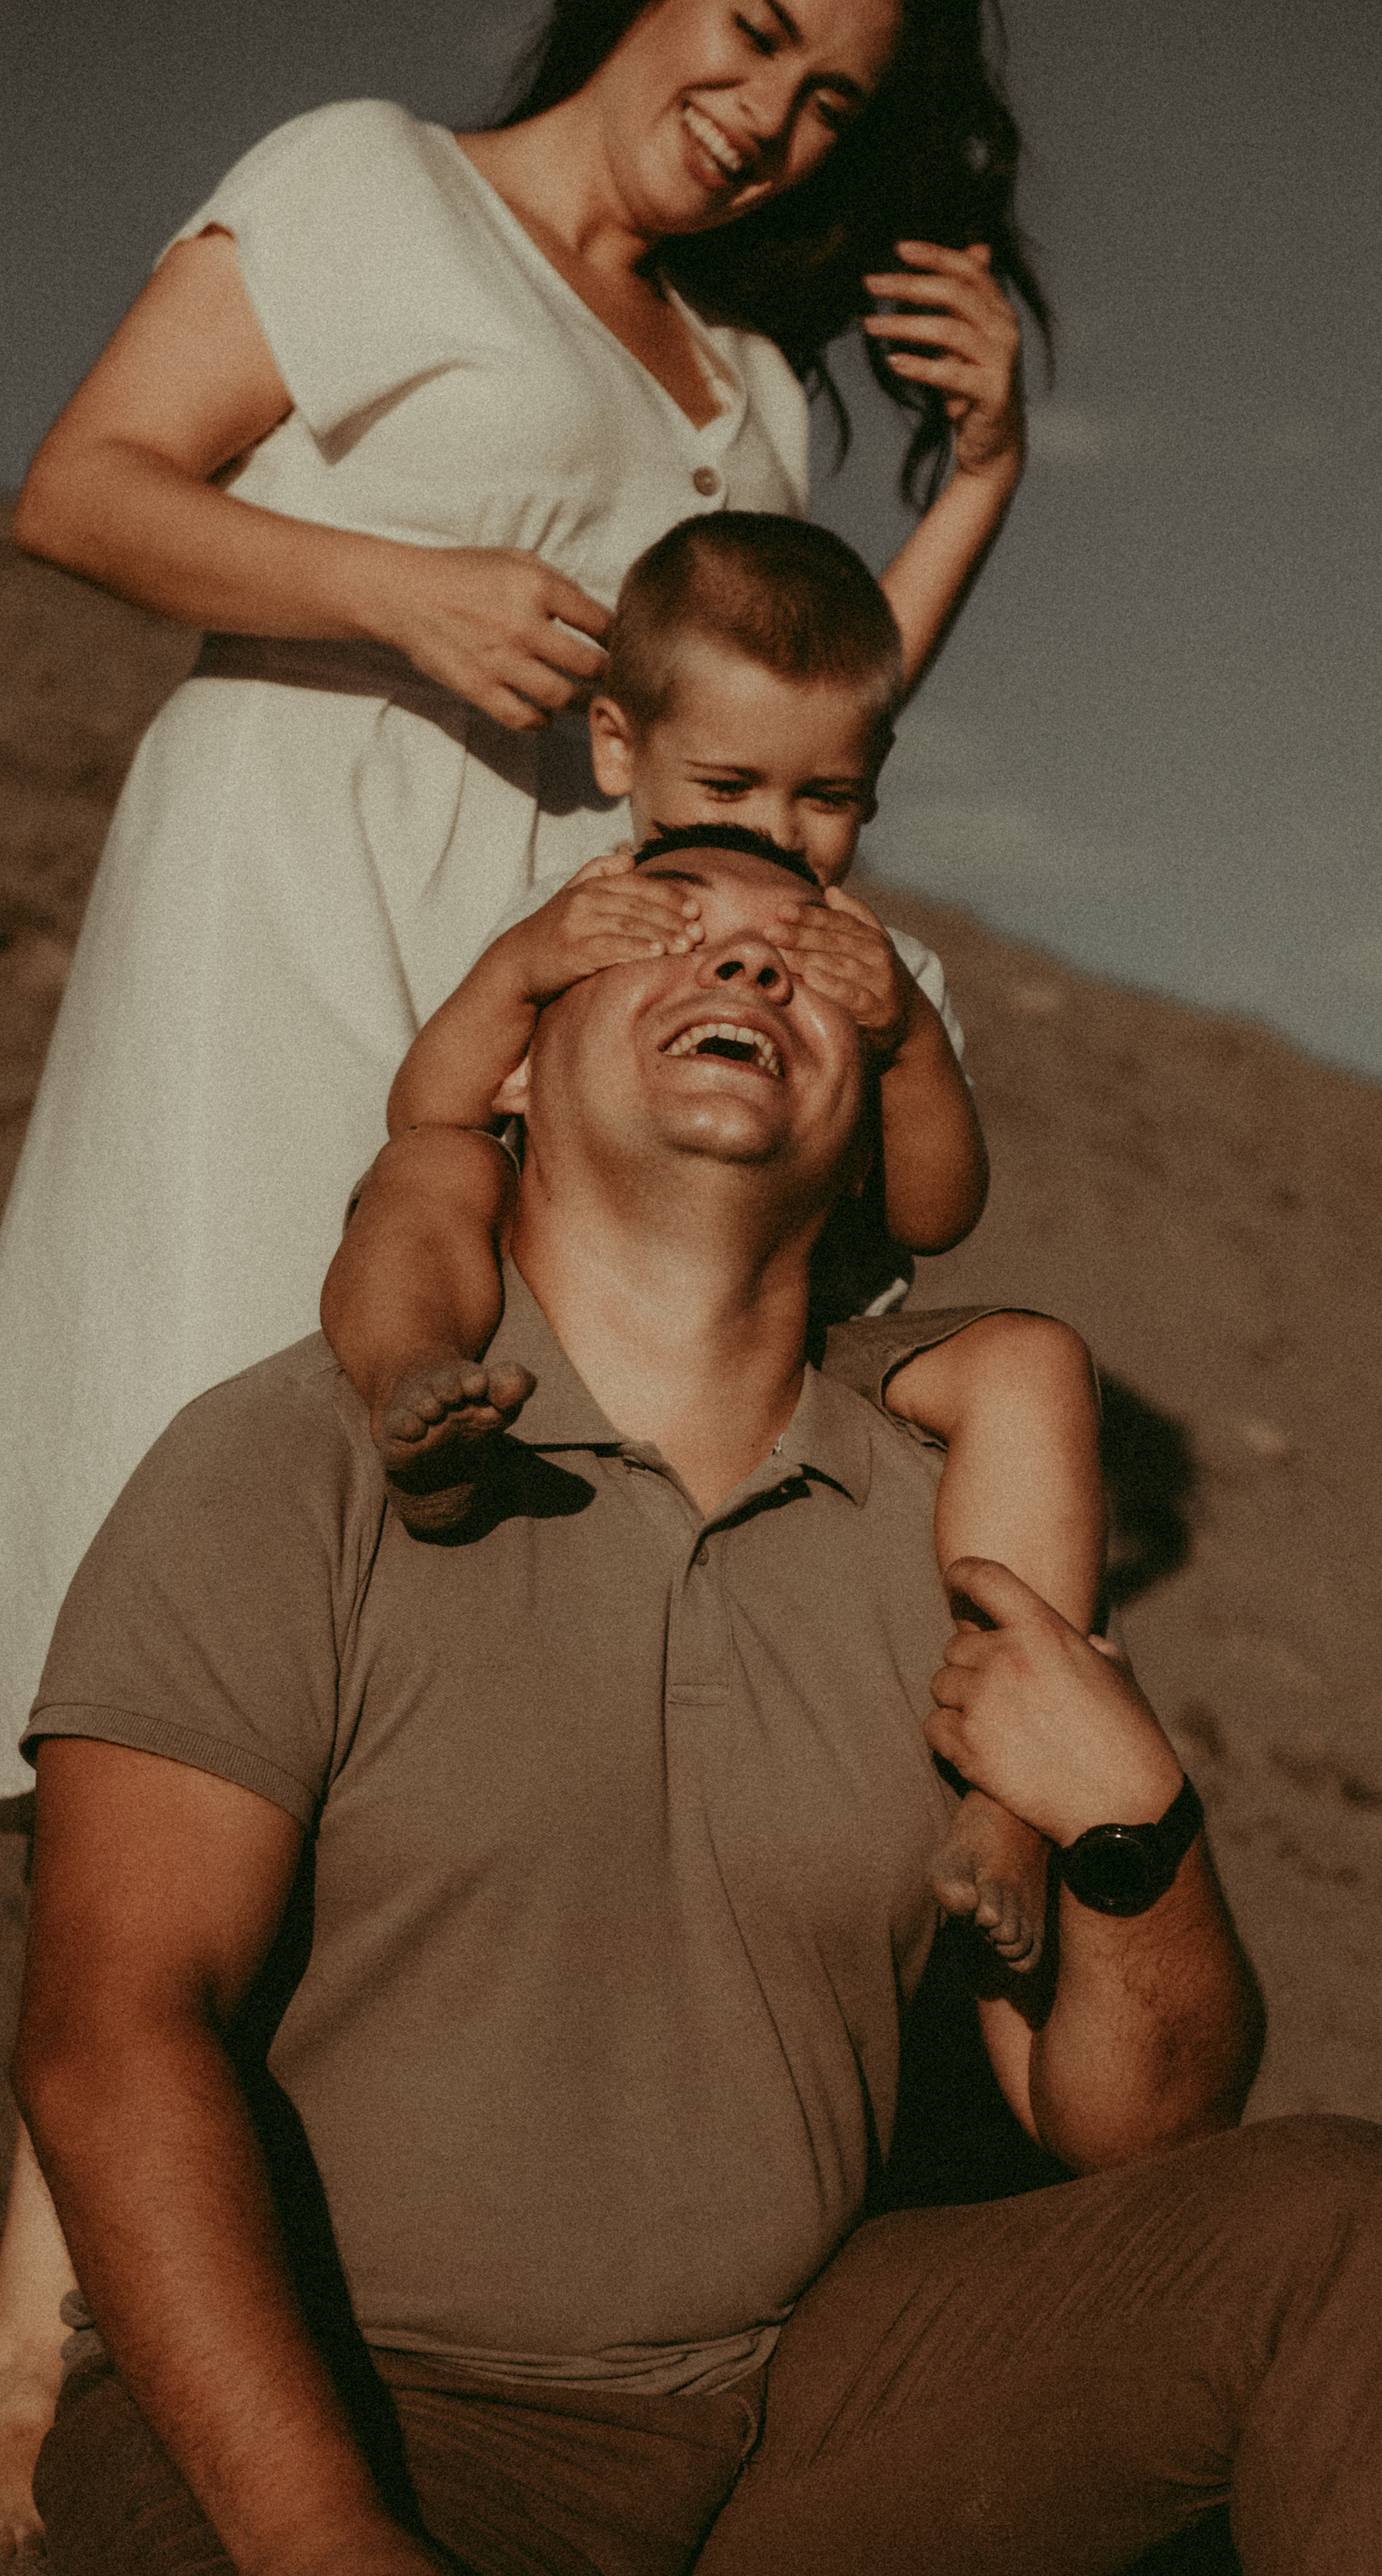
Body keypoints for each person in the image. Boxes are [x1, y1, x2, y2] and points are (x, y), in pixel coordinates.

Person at [17, 837, 1382, 2576]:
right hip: (344, 2417)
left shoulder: (948, 1546)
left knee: (1351, 2223)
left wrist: (1136, 1833)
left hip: (781, 2421)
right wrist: (319, 2533)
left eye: (807, 970)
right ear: (508, 1068)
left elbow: (1129, 2126)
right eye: (667, 933)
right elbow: (107, 2031)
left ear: (872, 1126)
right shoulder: (292, 1463)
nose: (747, 969)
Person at [0, 0, 1050, 2544]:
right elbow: (84, 489)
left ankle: (262, 2259)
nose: (770, 102)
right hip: (280, 880)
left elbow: (773, 737)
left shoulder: (746, 390)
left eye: (839, 99)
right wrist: (395, 590)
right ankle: (36, 2304)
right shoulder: (366, 179)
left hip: (547, 967)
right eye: (758, 23)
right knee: (194, 1503)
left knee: (433, 1563)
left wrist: (983, 474)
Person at [319, 511, 1102, 1956]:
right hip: (562, 1298)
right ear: (618, 751)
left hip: (814, 1345)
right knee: (426, 1174)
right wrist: (523, 971)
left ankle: (1008, 1781)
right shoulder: (580, 910)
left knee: (1034, 1367)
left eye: (830, 799)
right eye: (731, 780)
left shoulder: (882, 964)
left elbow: (936, 1210)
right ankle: (414, 1385)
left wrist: (904, 1033)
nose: (781, 829)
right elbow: (427, 1101)